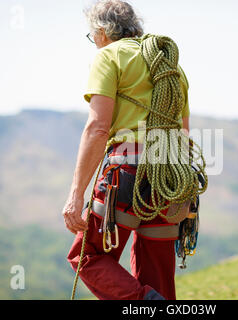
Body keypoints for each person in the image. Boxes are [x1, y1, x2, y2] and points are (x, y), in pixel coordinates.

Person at [62, 0, 190, 300]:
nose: (94, 41)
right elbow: (183, 134)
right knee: (157, 276)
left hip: (126, 175)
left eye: (92, 35)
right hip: (169, 180)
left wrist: (76, 193)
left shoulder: (109, 56)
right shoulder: (171, 68)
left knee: (86, 256)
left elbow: (98, 128)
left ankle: (147, 302)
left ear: (103, 31)